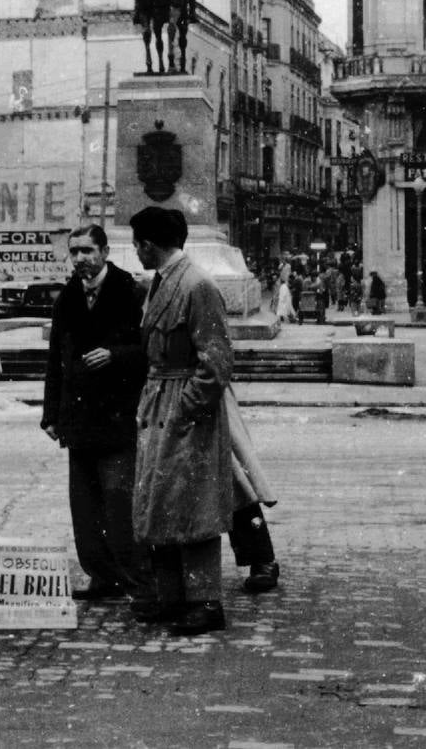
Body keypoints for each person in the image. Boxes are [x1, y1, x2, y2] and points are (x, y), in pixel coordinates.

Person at [129, 207, 274, 635]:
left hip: (183, 409)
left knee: (194, 507)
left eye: (137, 243)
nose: (135, 251)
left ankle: (205, 601)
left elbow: (216, 363)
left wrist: (185, 408)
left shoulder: (196, 285)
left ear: (148, 244)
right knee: (162, 502)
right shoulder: (163, 281)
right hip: (160, 402)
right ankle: (173, 597)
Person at [41, 224, 152, 606]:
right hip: (78, 419)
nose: (80, 259)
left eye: (87, 251)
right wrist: (50, 414)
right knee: (85, 507)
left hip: (118, 417)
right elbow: (55, 360)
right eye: (74, 252)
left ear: (105, 252)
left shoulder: (131, 291)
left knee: (120, 502)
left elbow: (151, 349)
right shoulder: (67, 297)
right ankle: (102, 577)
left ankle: (138, 581)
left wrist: (115, 355)